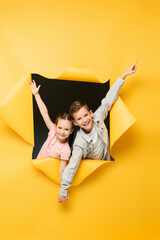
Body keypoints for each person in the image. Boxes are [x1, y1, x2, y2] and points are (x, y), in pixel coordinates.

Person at [58, 61, 137, 203]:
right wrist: (63, 190)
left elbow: (108, 100)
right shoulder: (79, 143)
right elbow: (73, 165)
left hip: (107, 164)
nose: (85, 120)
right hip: (94, 173)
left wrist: (123, 76)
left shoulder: (98, 117)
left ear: (91, 112)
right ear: (75, 123)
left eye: (86, 115)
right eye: (79, 119)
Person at [29, 80, 74, 184]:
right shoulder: (53, 130)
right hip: (37, 169)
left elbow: (62, 171)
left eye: (66, 129)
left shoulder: (65, 150)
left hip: (48, 178)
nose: (62, 132)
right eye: (60, 128)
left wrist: (63, 189)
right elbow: (44, 113)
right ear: (56, 126)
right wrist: (36, 94)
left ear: (71, 131)